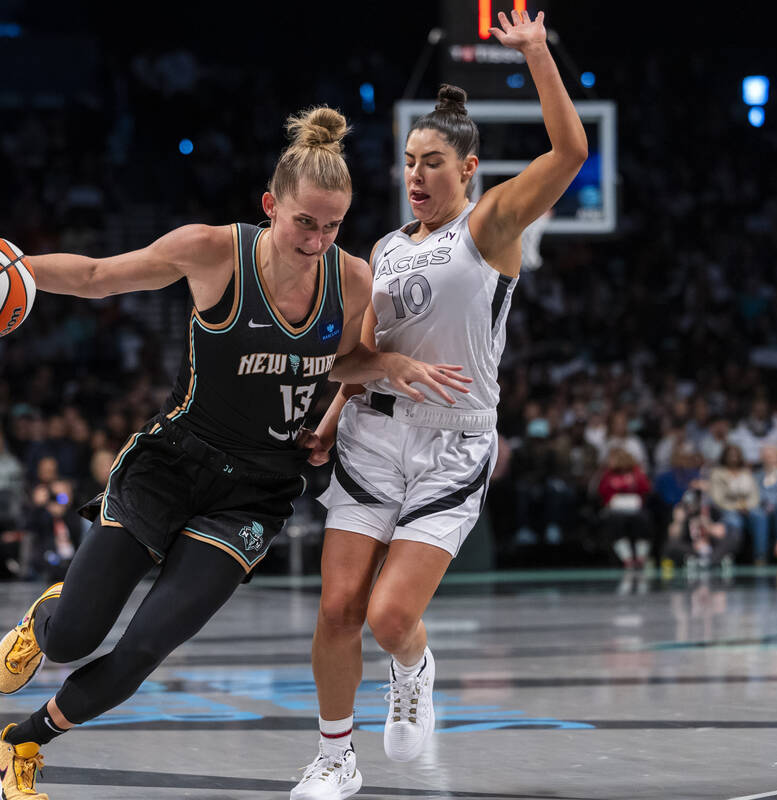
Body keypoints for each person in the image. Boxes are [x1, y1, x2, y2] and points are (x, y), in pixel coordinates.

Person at [0, 106, 466, 800]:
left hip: (255, 491)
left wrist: (384, 367)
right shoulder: (213, 251)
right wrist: (9, 264)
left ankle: (21, 745)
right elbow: (99, 274)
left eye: (333, 225)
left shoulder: (352, 282)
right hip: (171, 464)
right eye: (304, 222)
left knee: (145, 647)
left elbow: (343, 361)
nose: (317, 240)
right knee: (75, 636)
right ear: (269, 207)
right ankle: (48, 619)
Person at [289, 12, 588, 799]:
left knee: (390, 618)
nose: (416, 176)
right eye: (409, 163)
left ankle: (413, 668)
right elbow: (350, 360)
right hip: (368, 439)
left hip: (452, 448)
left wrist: (534, 53)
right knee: (337, 609)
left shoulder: (489, 229)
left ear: (470, 170)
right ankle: (333, 758)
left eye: (433, 163)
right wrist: (326, 423)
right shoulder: (383, 250)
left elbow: (571, 154)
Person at [596, 448, 654, 569]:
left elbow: (646, 488)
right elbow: (601, 491)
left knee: (644, 519)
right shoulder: (608, 475)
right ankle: (626, 558)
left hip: (635, 508)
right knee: (616, 522)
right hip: (614, 509)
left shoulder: (636, 473)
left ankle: (641, 557)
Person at [709, 444, 761, 564]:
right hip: (727, 508)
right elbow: (718, 499)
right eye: (730, 455)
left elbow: (754, 495)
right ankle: (723, 557)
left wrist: (747, 506)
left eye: (736, 455)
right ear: (724, 456)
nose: (733, 458)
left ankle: (760, 556)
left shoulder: (746, 473)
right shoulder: (717, 473)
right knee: (735, 521)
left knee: (760, 517)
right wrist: (737, 507)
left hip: (747, 507)